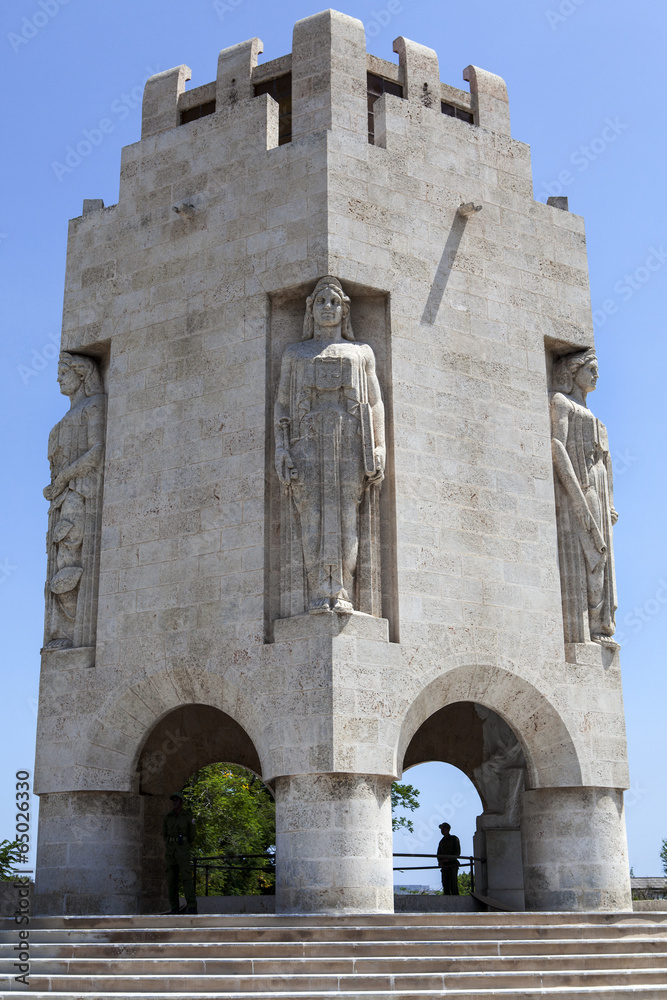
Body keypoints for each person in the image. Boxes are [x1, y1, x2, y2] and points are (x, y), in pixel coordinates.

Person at [274, 275, 385, 613]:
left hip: (350, 443)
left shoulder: (361, 352)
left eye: (334, 302)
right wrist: (281, 448)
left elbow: (376, 401)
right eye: (321, 301)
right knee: (312, 518)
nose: (327, 307)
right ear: (311, 309)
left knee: (347, 518)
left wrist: (379, 447)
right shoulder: (295, 354)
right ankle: (317, 591)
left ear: (344, 311)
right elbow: (281, 405)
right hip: (307, 444)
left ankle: (341, 591)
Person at [550, 349, 618, 645]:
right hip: (584, 485)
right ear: (573, 371)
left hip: (600, 489)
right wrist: (575, 493)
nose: (597, 375)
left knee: (604, 556)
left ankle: (601, 624)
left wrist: (611, 501)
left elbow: (606, 460)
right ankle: (588, 627)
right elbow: (557, 445)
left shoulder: (596, 417)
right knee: (593, 551)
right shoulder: (561, 402)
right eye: (591, 368)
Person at [162, 792, 197, 914]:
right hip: (171, 851)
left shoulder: (188, 816)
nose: (174, 802)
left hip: (183, 851)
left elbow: (192, 834)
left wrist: (185, 845)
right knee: (171, 880)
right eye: (173, 800)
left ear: (181, 802)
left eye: (177, 800)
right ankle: (174, 907)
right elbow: (164, 833)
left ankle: (192, 905)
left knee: (186, 878)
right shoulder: (168, 817)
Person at [436, 822, 461, 895]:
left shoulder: (454, 839)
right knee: (445, 885)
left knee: (453, 885)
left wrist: (449, 859)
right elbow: (438, 854)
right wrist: (440, 861)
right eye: (441, 829)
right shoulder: (441, 842)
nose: (442, 830)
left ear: (448, 829)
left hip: (452, 865)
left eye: (443, 828)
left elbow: (457, 852)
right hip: (444, 866)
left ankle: (456, 900)